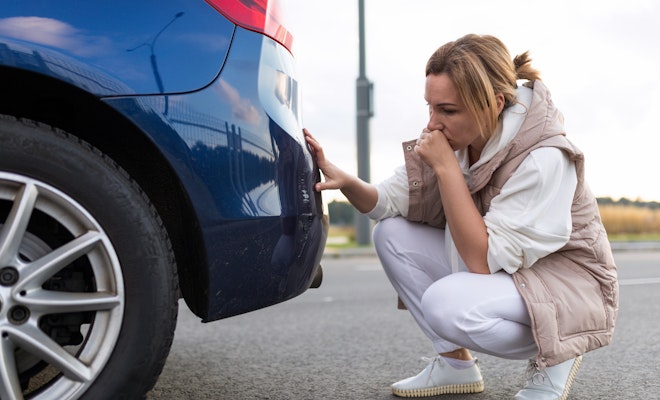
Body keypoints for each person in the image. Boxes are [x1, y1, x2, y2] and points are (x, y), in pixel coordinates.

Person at [304, 33, 618, 399]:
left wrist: (448, 172)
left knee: (444, 303)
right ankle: (456, 365)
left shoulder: (543, 158)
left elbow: (482, 261)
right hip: (515, 273)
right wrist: (345, 180)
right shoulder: (458, 139)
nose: (433, 123)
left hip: (568, 291)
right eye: (430, 107)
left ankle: (557, 357)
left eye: (447, 110)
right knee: (389, 233)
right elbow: (387, 201)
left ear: (494, 104)